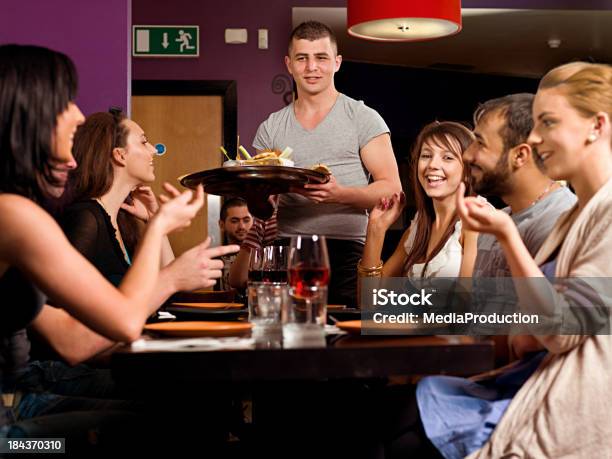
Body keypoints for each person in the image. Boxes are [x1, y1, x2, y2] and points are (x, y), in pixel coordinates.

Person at [0, 44, 237, 442]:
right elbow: (114, 326)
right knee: (175, 425)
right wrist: (164, 243)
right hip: (14, 436)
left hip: (19, 403)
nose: (77, 114)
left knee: (180, 415)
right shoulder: (15, 216)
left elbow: (68, 337)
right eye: (63, 104)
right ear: (28, 116)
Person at [414, 62, 612, 458]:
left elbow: (553, 331)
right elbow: (499, 320)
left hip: (568, 405)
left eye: (548, 123)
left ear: (597, 126)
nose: (536, 139)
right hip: (526, 382)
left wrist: (505, 239)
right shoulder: (575, 216)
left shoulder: (587, 214)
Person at [253, 20, 402, 307]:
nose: (312, 67)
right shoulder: (271, 127)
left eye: (321, 58)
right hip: (288, 250)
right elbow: (261, 209)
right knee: (291, 339)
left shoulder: (362, 117)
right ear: (289, 64)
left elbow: (391, 190)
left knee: (343, 341)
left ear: (337, 62)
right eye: (302, 58)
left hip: (348, 250)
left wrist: (340, 194)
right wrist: (255, 193)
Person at [465, 93, 576, 279]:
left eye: (480, 143)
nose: (467, 155)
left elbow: (555, 307)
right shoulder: (497, 221)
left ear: (520, 156)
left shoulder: (560, 225)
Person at [360, 121, 478, 281]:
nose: (432, 165)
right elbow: (369, 301)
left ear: (468, 170)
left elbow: (469, 303)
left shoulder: (475, 222)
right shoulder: (417, 229)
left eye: (448, 157)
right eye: (426, 156)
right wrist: (376, 229)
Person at [217, 197, 253, 291]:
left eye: (246, 220)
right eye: (234, 221)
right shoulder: (213, 261)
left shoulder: (264, 258)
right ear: (222, 225)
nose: (241, 226)